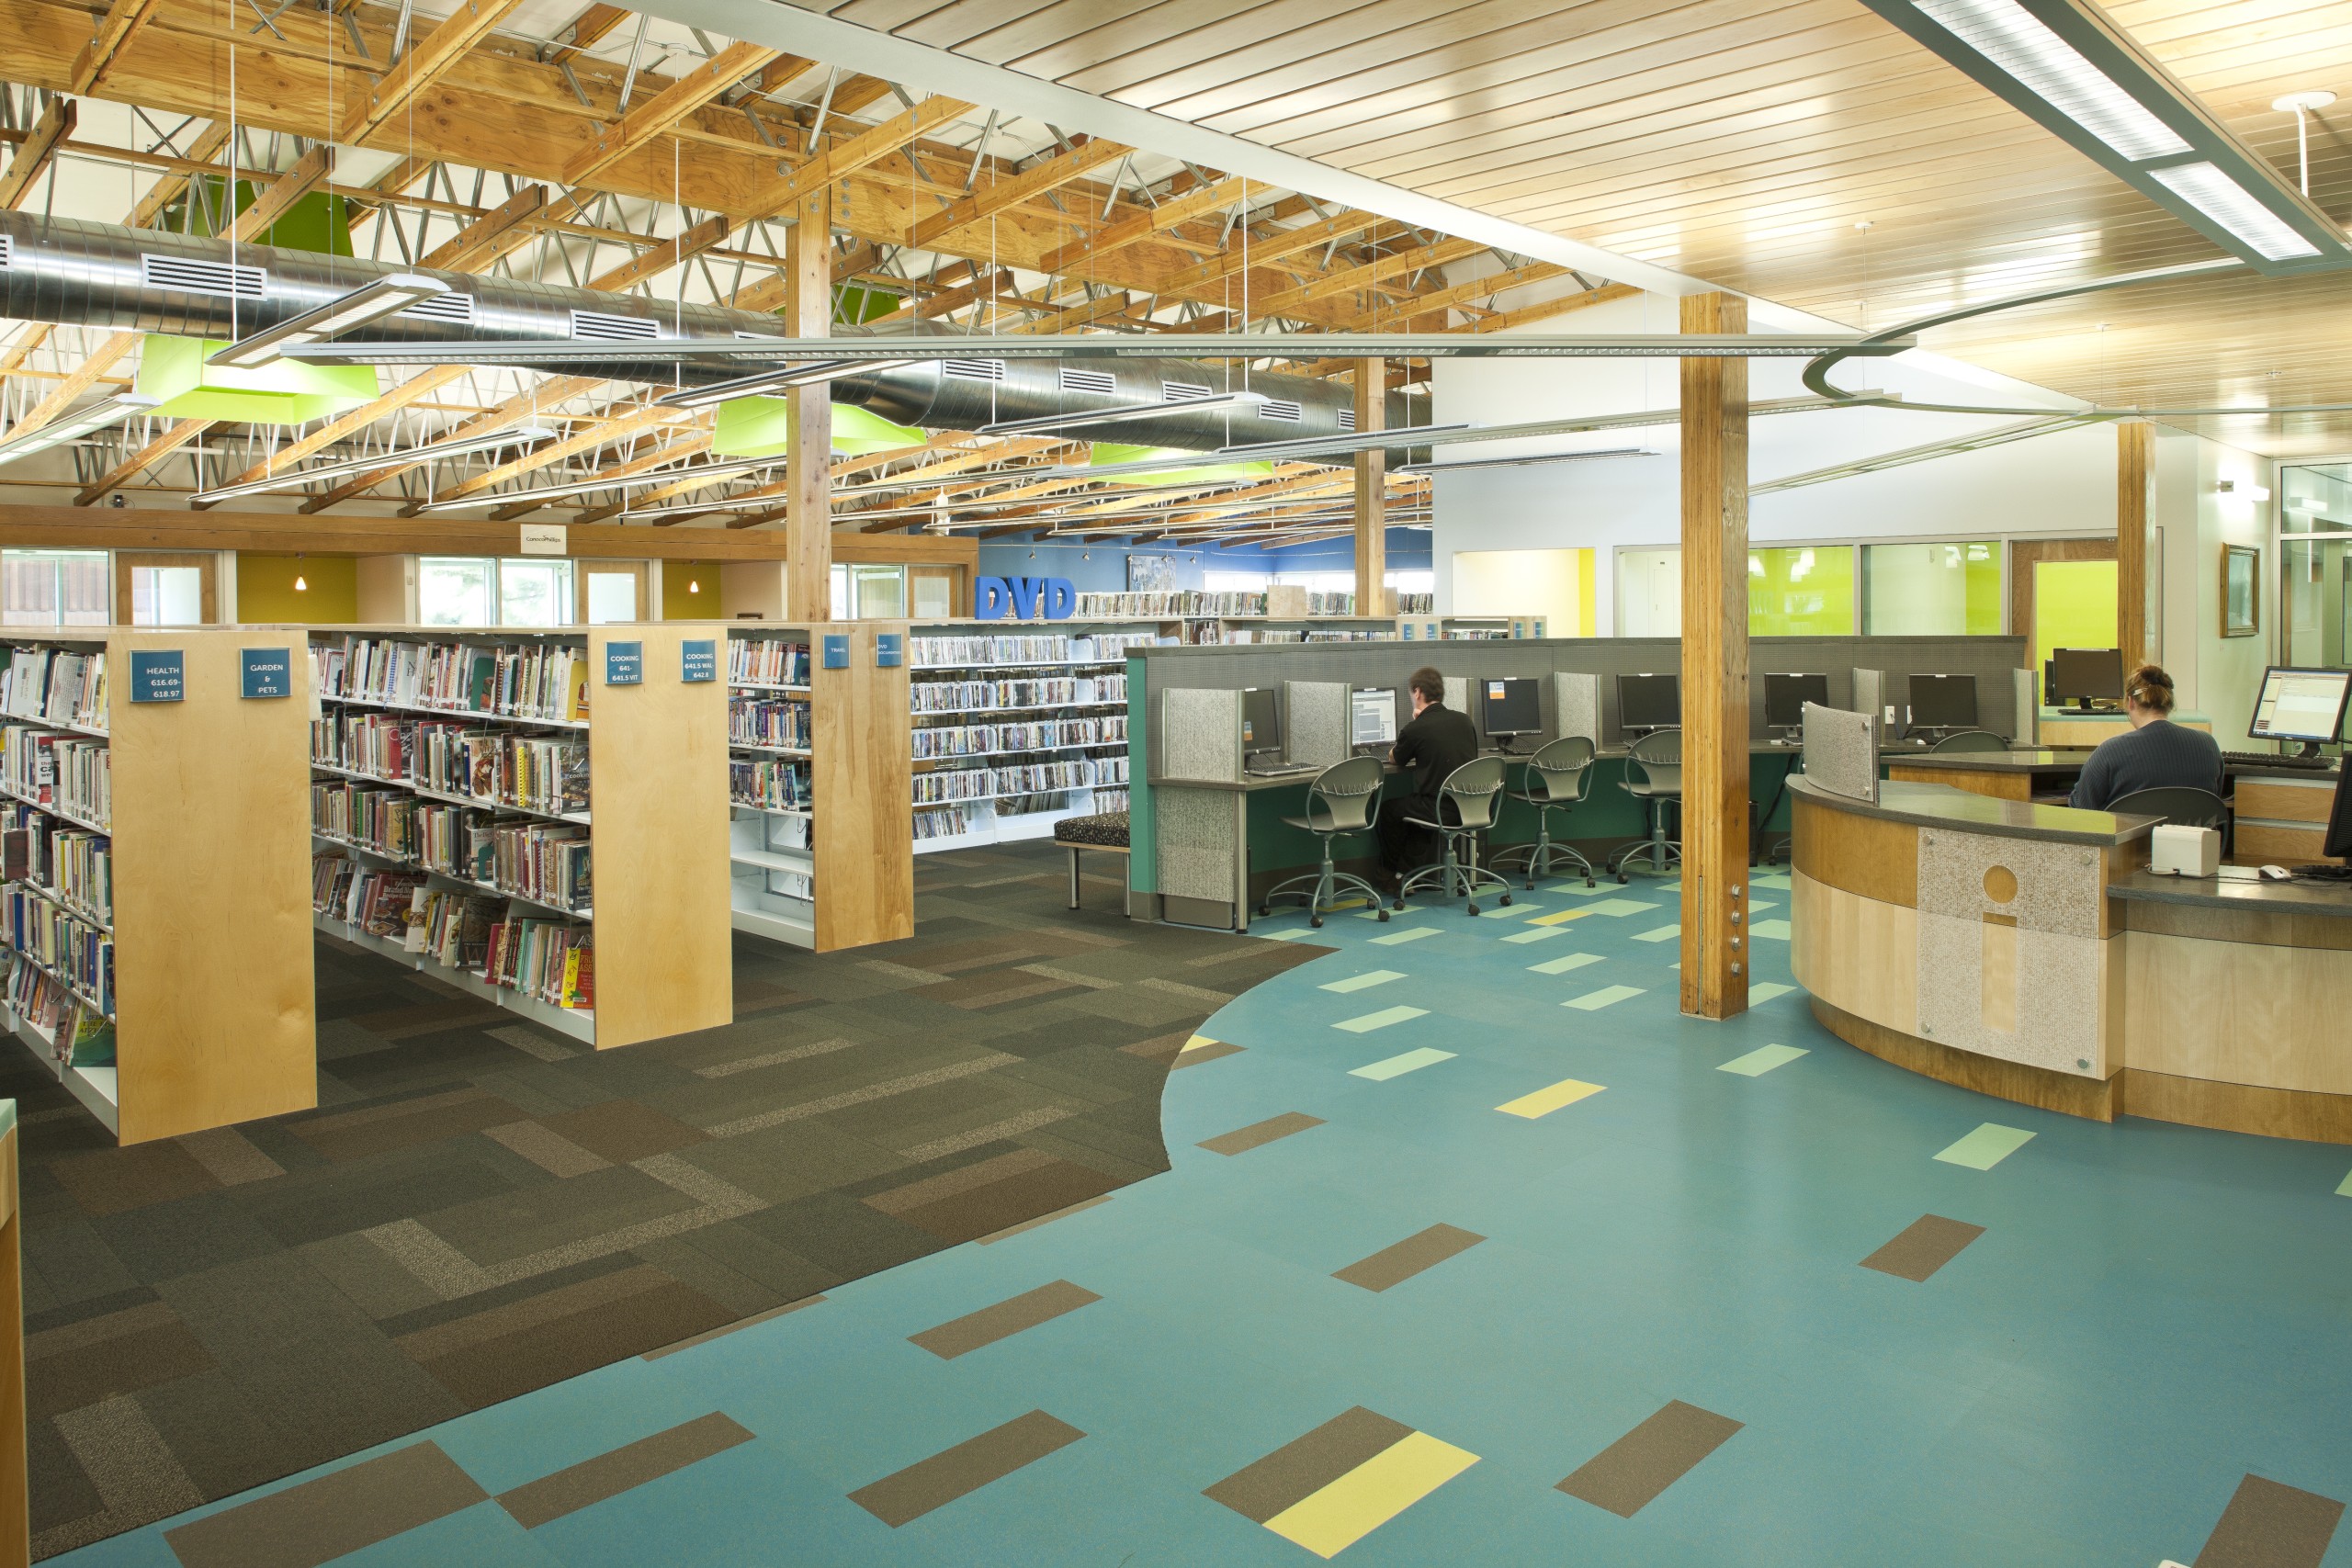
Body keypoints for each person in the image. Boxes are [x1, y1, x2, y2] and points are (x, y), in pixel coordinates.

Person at [1375, 666, 1478, 887]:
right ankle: (1406, 874)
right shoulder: (1464, 720)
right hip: (1475, 806)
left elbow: (1396, 759)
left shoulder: (1416, 728)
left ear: (1418, 692)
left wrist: (1414, 725)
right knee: (1417, 803)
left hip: (1441, 809)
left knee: (1389, 810)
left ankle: (1388, 875)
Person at [2067, 663, 2222, 809]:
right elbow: (2214, 799)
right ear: (2169, 702)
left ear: (2131, 702)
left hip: (2133, 839)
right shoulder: (2208, 746)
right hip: (2193, 837)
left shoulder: (2111, 752)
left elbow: (2082, 807)